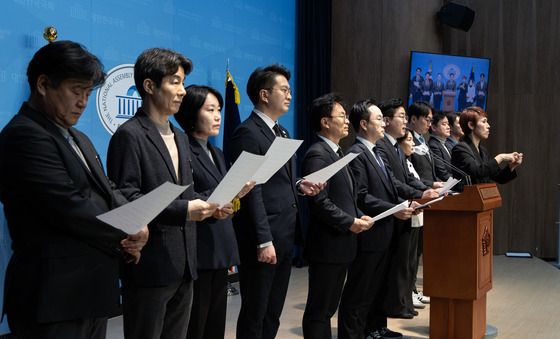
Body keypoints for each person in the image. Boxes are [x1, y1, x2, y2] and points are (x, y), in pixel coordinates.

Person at [0, 40, 148, 339]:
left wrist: (137, 219)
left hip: (91, 290)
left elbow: (107, 190)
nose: (83, 102)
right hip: (53, 296)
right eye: (76, 91)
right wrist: (127, 229)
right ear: (43, 84)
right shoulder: (24, 136)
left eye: (88, 93)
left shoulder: (78, 137)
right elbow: (70, 207)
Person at [107, 48, 225, 339]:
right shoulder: (130, 135)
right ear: (149, 86)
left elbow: (187, 193)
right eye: (175, 82)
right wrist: (185, 210)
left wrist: (211, 207)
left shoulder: (181, 136)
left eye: (183, 82)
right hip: (149, 265)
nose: (182, 91)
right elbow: (128, 198)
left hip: (185, 264)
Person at [227, 64, 324, 339]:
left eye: (291, 91)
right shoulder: (247, 132)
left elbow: (276, 179)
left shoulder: (279, 132)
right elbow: (251, 190)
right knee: (255, 312)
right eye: (284, 90)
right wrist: (263, 240)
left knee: (273, 311)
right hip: (264, 236)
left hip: (284, 233)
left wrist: (298, 184)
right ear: (264, 95)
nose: (290, 95)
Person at [174, 85, 254, 339]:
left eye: (219, 109)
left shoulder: (216, 152)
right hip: (199, 249)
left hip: (220, 249)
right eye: (210, 110)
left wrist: (237, 192)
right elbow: (183, 196)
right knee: (196, 325)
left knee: (215, 325)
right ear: (190, 113)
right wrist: (214, 202)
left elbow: (220, 192)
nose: (218, 115)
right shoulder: (181, 147)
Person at [341, 100, 416, 339]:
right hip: (369, 233)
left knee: (377, 287)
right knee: (360, 290)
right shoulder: (356, 153)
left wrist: (416, 195)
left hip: (384, 231)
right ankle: (354, 334)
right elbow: (361, 197)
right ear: (363, 124)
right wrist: (394, 209)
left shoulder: (375, 150)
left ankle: (374, 328)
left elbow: (391, 183)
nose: (384, 123)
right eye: (379, 119)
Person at [301, 93, 373, 339]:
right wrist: (350, 222)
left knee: (328, 308)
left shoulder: (338, 153)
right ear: (325, 122)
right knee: (320, 311)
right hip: (327, 246)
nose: (346, 122)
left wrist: (360, 216)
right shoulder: (318, 154)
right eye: (341, 116)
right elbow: (319, 202)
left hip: (341, 244)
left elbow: (347, 199)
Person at [373, 98, 438, 322]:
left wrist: (428, 188)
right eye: (401, 117)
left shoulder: (393, 145)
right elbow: (392, 181)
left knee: (407, 263)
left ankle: (403, 303)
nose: (404, 122)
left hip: (406, 208)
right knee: (397, 265)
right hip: (394, 210)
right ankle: (397, 304)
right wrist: (421, 193)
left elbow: (409, 178)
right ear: (388, 120)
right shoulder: (382, 146)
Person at [396, 128, 427, 312]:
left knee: (414, 260)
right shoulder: (400, 161)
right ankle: (405, 297)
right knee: (407, 261)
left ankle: (410, 293)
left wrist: (428, 190)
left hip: (418, 214)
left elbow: (415, 182)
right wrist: (423, 191)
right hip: (407, 213)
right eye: (409, 140)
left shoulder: (409, 163)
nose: (413, 144)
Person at [451, 106, 523, 184]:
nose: (488, 126)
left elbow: (500, 178)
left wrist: (511, 166)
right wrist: (501, 157)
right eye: (484, 122)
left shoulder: (483, 151)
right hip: (467, 195)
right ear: (471, 125)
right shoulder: (460, 148)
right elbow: (477, 172)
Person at [407, 101, 443, 189]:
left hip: (432, 190)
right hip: (419, 192)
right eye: (427, 120)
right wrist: (431, 184)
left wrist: (441, 184)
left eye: (431, 121)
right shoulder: (406, 141)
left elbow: (430, 173)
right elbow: (409, 174)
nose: (429, 124)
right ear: (413, 119)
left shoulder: (424, 140)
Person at [428, 111, 453, 181]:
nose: (448, 127)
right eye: (444, 124)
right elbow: (442, 173)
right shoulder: (433, 145)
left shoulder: (447, 144)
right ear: (433, 127)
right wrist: (459, 183)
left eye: (448, 124)